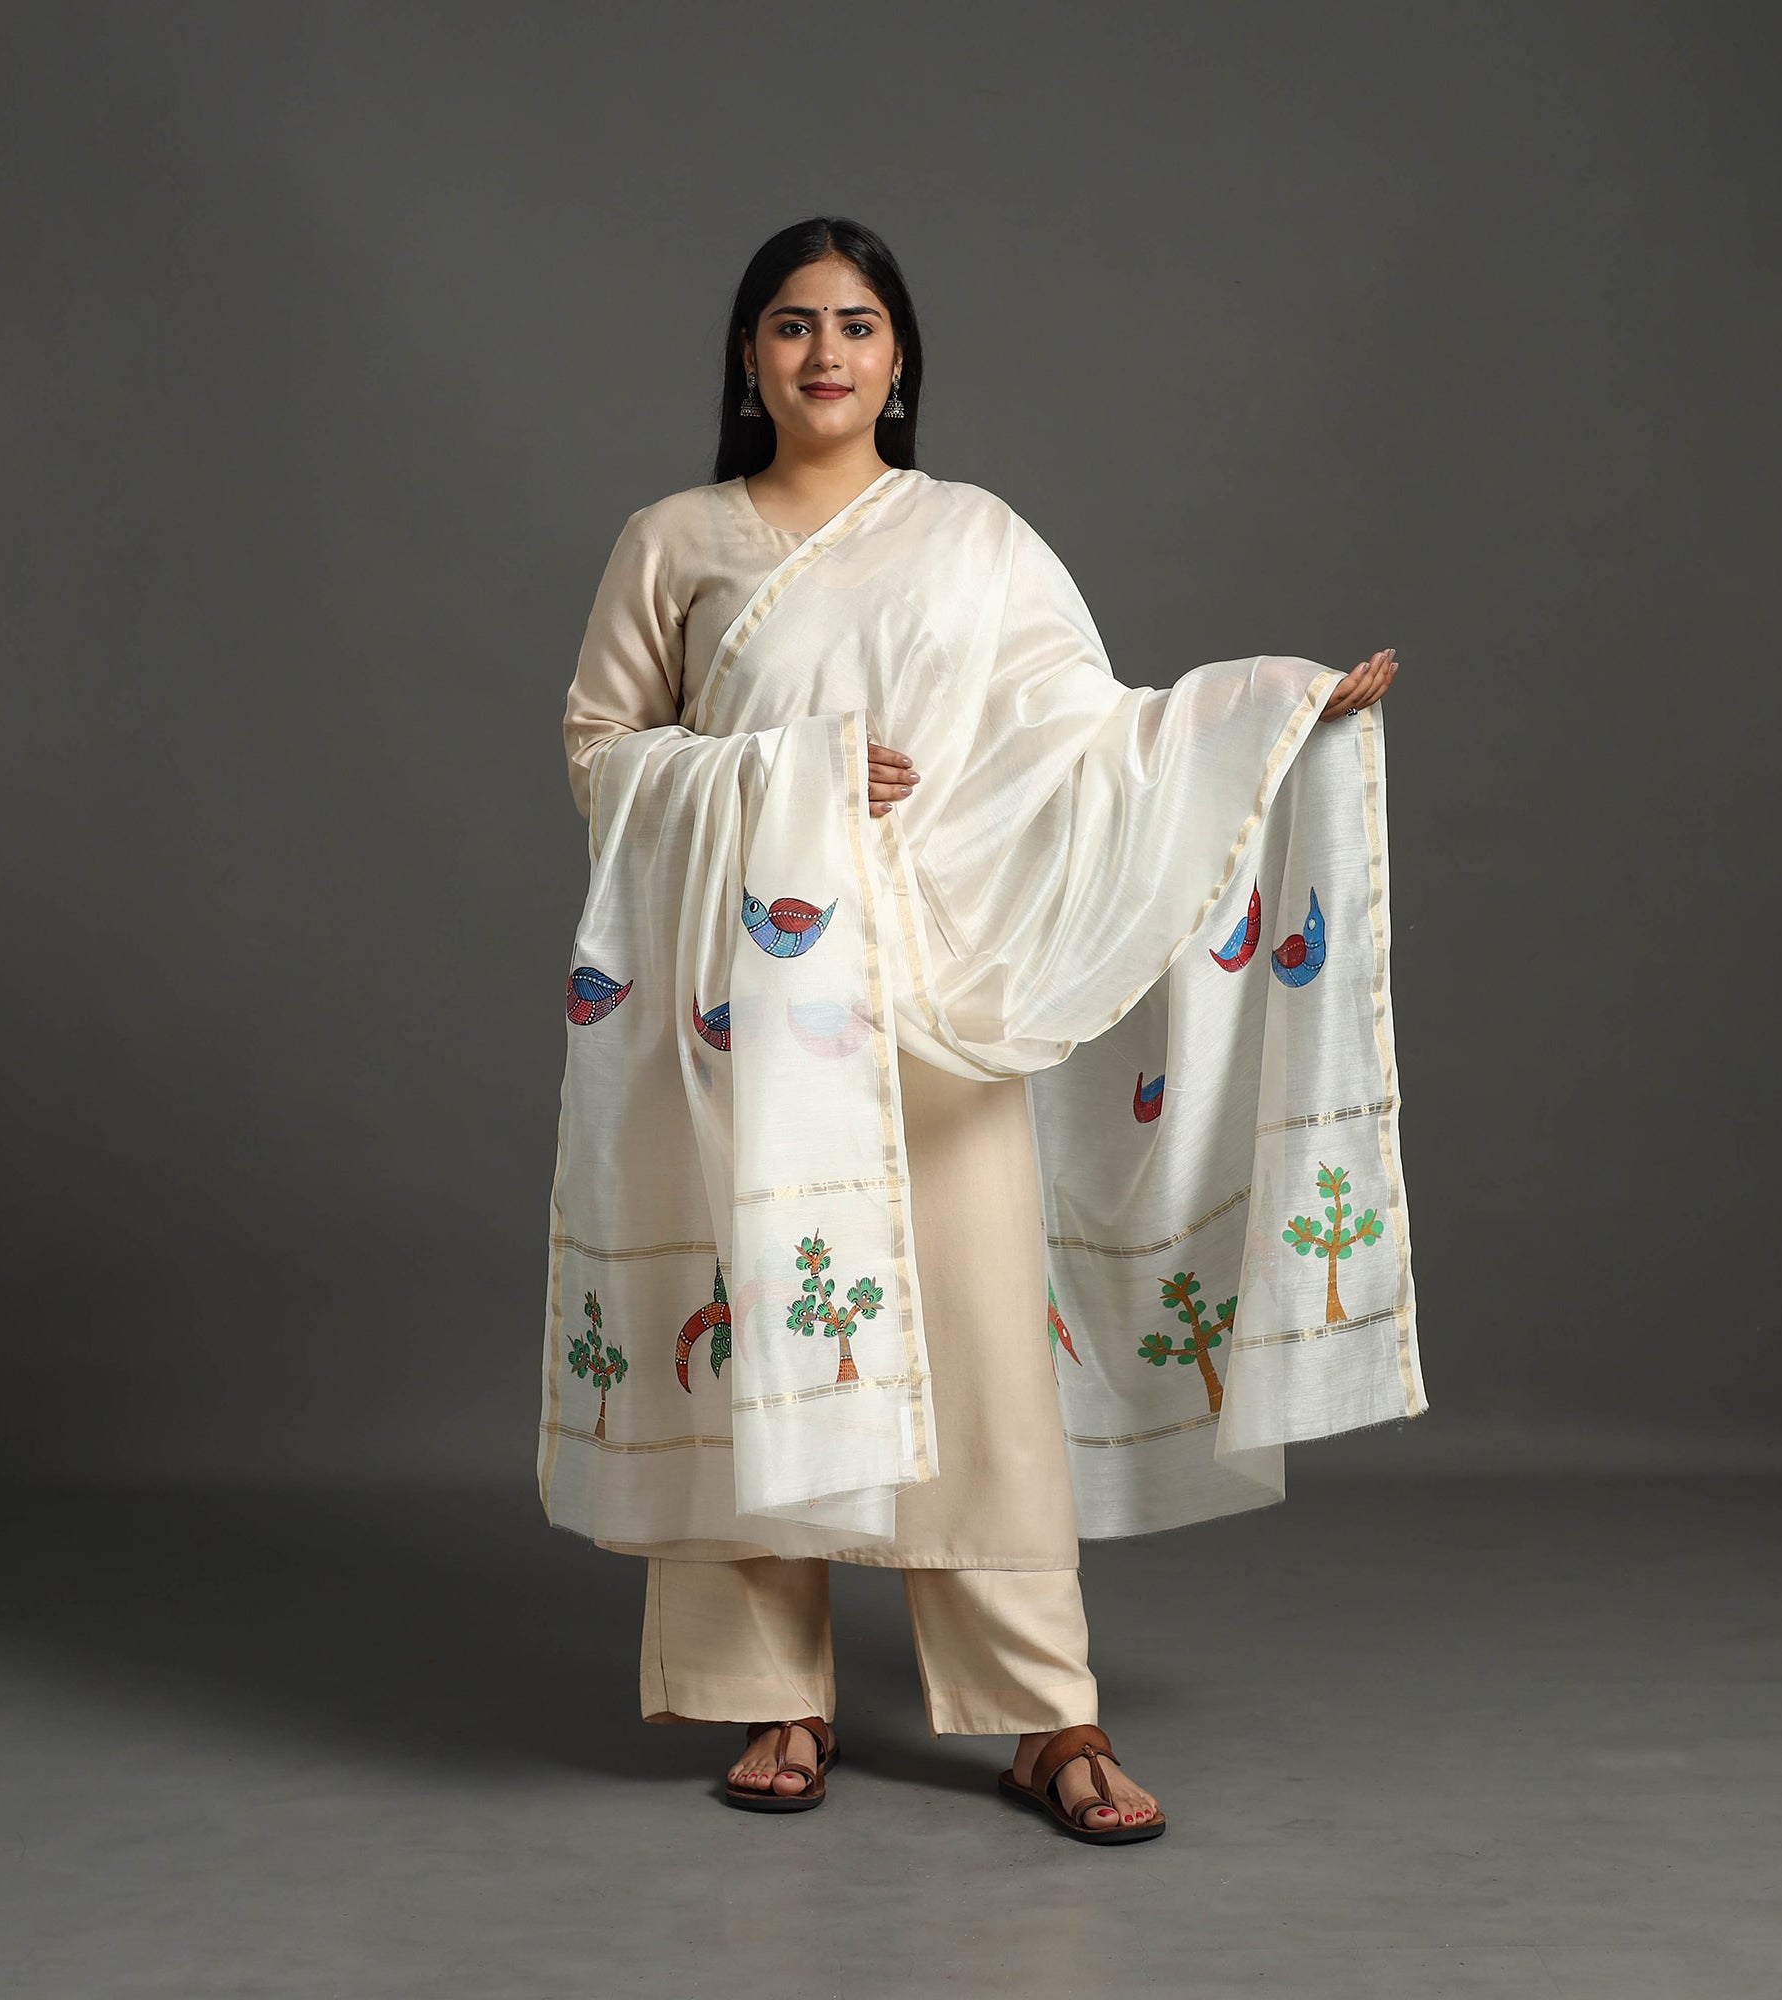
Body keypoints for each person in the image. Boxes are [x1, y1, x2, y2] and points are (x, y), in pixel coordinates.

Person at [548, 216, 1407, 1844]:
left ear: (898, 361)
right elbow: (601, 755)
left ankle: (1044, 1713)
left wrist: (1274, 711)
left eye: (856, 325)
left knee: (983, 1355)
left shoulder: (977, 541)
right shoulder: (673, 541)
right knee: (758, 1318)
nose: (823, 352)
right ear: (747, 358)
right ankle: (771, 1694)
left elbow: (1092, 741)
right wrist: (787, 774)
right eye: (790, 324)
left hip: (936, 994)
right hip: (747, 1011)